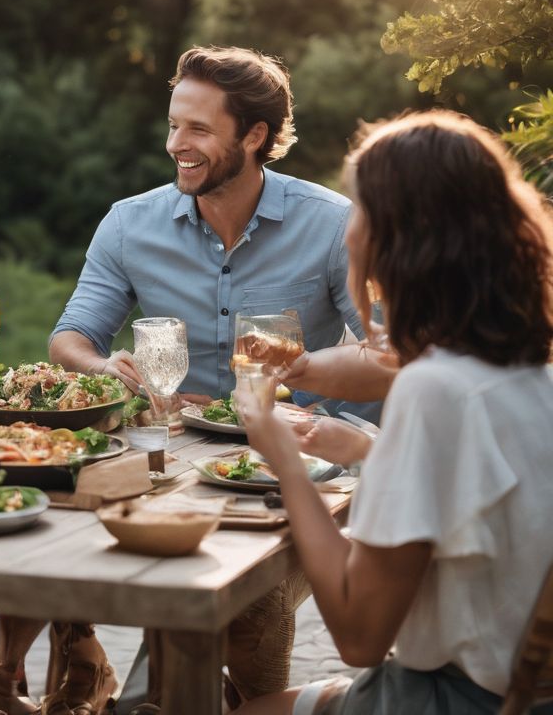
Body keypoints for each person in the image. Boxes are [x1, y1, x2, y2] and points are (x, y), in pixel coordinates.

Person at [0, 46, 370, 712]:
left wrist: (307, 382)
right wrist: (108, 367)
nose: (175, 146)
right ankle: (93, 672)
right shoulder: (131, 223)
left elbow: (392, 352)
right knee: (45, 528)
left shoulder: (334, 224)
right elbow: (70, 338)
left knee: (248, 609)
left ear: (255, 136)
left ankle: (215, 700)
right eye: (171, 125)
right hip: (170, 455)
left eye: (196, 129)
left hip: (297, 471)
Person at [232, 110, 553, 714]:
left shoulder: (436, 390)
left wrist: (284, 460)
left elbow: (358, 636)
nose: (349, 228)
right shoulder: (530, 372)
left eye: (361, 209)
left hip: (459, 698)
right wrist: (367, 451)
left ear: (395, 239)